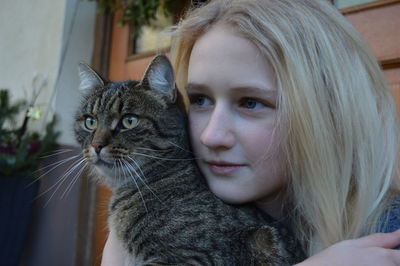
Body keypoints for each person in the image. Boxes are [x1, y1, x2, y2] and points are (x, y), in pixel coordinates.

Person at [102, 0, 400, 265]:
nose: (211, 136)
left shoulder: (389, 235)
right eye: (200, 100)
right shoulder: (159, 212)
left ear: (328, 112)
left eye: (250, 103)